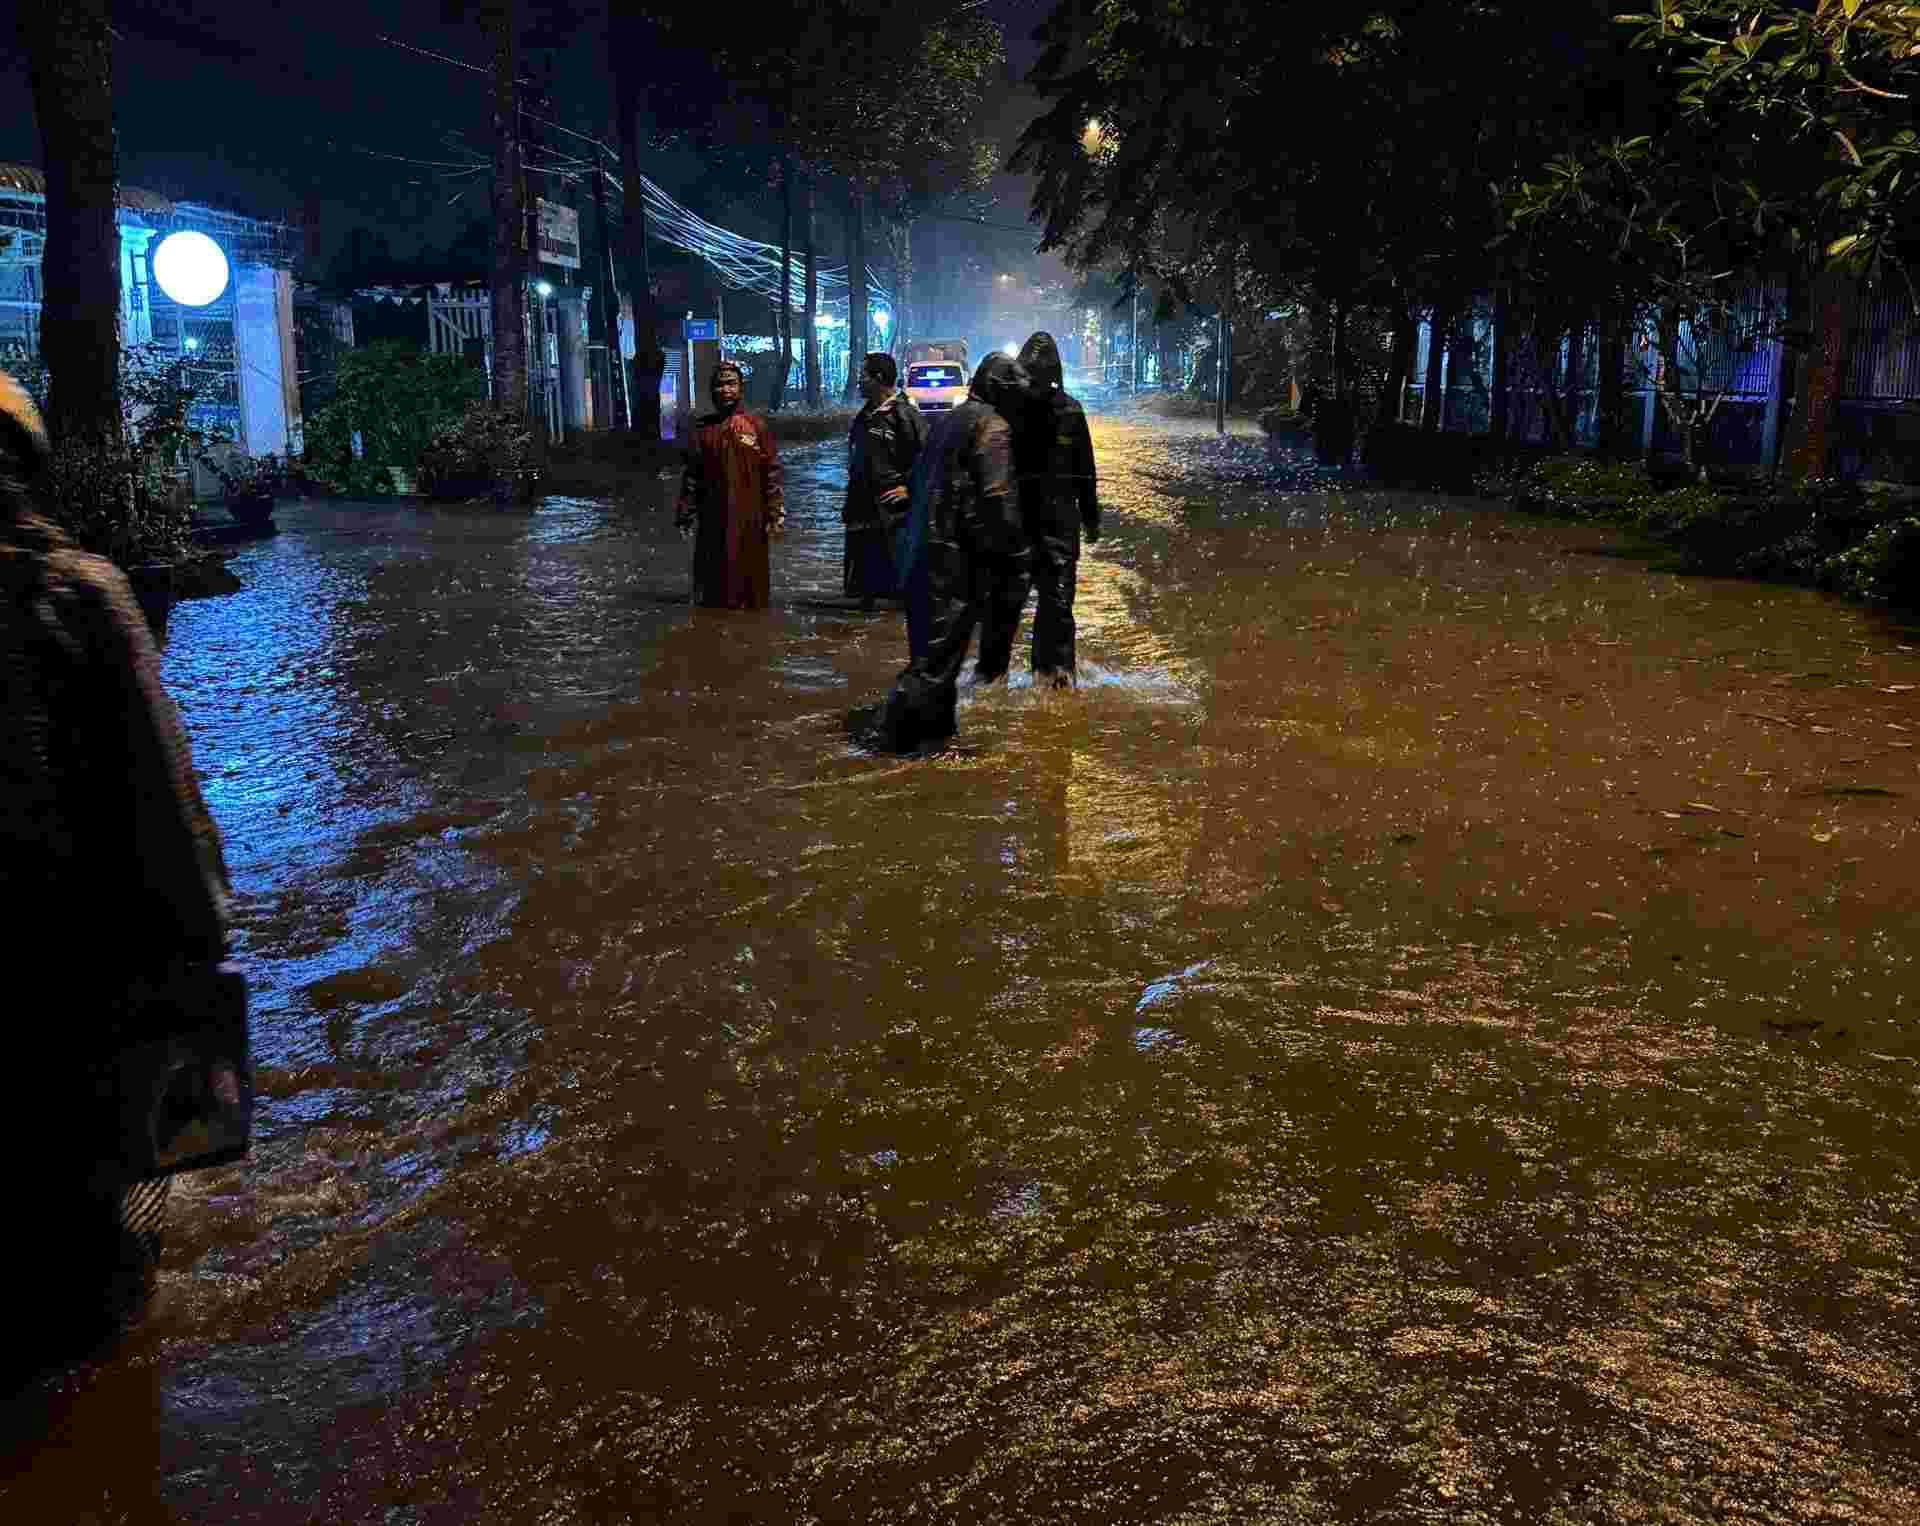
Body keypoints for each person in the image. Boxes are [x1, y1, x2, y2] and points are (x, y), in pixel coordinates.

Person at [1, 372, 250, 1374]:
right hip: (71, 988)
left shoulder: (76, 591)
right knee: (99, 1277)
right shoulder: (79, 590)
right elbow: (163, 788)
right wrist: (202, 945)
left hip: (59, 981)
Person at [873, 352, 1032, 749]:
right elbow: (997, 497)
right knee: (935, 662)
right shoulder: (992, 426)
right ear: (1001, 390)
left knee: (932, 655)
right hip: (951, 562)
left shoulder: (950, 420)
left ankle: (934, 741)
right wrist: (1015, 555)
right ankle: (892, 744)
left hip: (920, 555)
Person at [1012, 331, 1100, 687]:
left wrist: (1091, 519)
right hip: (1016, 525)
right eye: (1031, 372)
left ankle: (1058, 678)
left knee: (1059, 605)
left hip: (1059, 525)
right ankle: (1021, 675)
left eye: (1042, 371)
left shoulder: (1070, 411)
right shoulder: (1008, 413)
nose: (1037, 379)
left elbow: (1086, 472)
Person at [674, 361, 785, 609]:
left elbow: (772, 472)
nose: (725, 390)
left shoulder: (757, 427)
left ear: (741, 389)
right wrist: (685, 513)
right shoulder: (702, 430)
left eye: (730, 384)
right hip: (712, 517)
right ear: (711, 390)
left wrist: (775, 511)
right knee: (711, 588)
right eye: (719, 385)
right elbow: (692, 475)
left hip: (751, 517)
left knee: (752, 588)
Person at [842, 352, 928, 611]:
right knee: (865, 584)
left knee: (897, 587)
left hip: (892, 512)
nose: (858, 381)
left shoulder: (906, 416)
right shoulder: (865, 416)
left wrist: (908, 489)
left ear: (878, 378)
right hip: (863, 506)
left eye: (862, 376)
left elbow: (928, 460)